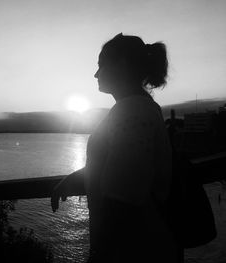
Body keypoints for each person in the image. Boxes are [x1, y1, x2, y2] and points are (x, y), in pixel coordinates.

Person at [51, 33, 179, 262]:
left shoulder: (132, 111)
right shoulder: (139, 108)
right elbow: (122, 164)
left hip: (134, 249)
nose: (96, 74)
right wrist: (76, 178)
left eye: (101, 65)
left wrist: (101, 255)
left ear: (121, 65)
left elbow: (124, 196)